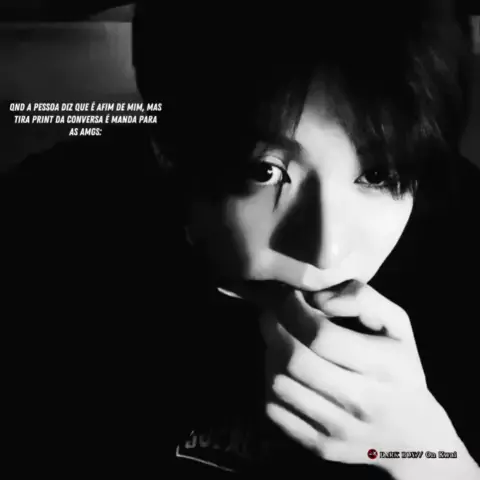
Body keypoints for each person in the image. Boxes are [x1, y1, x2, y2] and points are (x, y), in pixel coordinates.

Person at [4, 2, 480, 478]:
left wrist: (429, 456)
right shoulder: (45, 233)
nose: (326, 253)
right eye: (266, 171)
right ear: (169, 150)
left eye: (378, 175)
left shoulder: (464, 250)